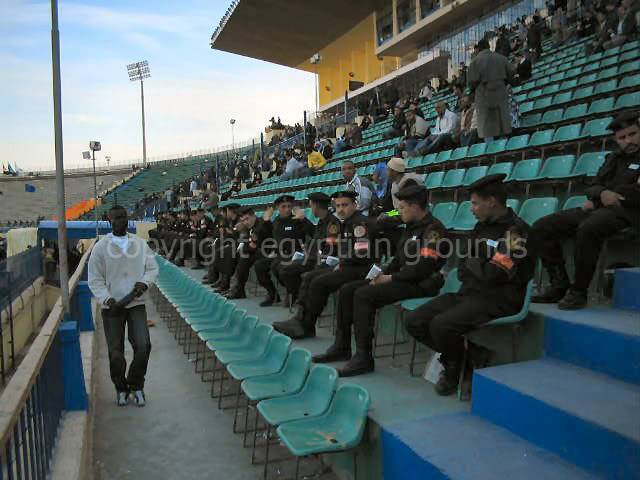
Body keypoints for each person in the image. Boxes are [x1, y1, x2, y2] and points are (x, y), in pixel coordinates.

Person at [405, 174, 534, 395]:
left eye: (475, 203)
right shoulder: (480, 227)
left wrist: (477, 263)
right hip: (471, 293)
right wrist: (481, 263)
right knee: (414, 321)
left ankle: (454, 369)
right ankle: (471, 357)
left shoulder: (516, 232)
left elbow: (497, 274)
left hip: (500, 298)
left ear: (491, 201)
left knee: (441, 325)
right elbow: (464, 266)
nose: (472, 209)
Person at [314, 185, 449, 376]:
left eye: (402, 208)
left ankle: (363, 357)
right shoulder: (411, 227)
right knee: (347, 290)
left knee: (364, 295)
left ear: (415, 206)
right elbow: (398, 260)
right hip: (403, 279)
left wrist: (390, 277)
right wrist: (381, 273)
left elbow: (424, 267)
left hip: (422, 284)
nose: (398, 212)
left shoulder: (434, 230)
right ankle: (342, 346)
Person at [529, 113, 640, 309]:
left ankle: (578, 291)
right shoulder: (613, 158)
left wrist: (608, 195)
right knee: (542, 226)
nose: (628, 141)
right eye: (622, 137)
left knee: (589, 227)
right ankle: (559, 284)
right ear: (616, 139)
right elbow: (593, 186)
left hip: (629, 212)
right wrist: (602, 194)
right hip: (601, 208)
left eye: (633, 134)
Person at [273, 190, 377, 339]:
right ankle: (300, 320)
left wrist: (341, 262)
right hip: (347, 265)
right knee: (309, 277)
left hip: (359, 269)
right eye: (338, 205)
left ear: (355, 205)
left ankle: (306, 324)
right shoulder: (348, 222)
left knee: (318, 281)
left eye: (345, 205)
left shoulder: (359, 223)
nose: (341, 209)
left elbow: (360, 253)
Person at [88, 205, 159, 407]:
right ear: (109, 221)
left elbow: (152, 268)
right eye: (117, 218)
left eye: (124, 217)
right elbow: (95, 279)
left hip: (135, 303)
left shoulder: (139, 244)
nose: (121, 221)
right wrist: (107, 299)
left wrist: (144, 283)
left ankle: (136, 385)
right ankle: (121, 388)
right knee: (115, 353)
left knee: (143, 346)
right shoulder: (101, 247)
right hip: (112, 308)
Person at [277, 192, 341, 303]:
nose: (310, 209)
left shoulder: (332, 223)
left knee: (295, 272)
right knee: (285, 270)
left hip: (321, 261)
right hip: (311, 258)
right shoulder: (321, 222)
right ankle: (298, 296)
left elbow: (330, 247)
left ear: (316, 206)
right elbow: (315, 240)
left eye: (311, 206)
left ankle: (304, 303)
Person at [253, 195, 312, 306]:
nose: (287, 209)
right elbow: (262, 238)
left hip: (294, 255)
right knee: (259, 265)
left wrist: (304, 219)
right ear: (278, 208)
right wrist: (265, 222)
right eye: (283, 206)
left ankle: (293, 292)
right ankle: (273, 294)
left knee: (281, 267)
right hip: (278, 254)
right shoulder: (276, 222)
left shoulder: (297, 221)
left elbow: (313, 233)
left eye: (289, 206)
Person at [467, 38, 516, 142]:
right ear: (489, 46)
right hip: (500, 95)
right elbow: (512, 71)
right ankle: (504, 148)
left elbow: (471, 83)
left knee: (487, 128)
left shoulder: (475, 62)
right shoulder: (500, 58)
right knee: (502, 124)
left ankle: (490, 153)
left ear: (478, 49)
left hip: (484, 97)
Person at [223, 206, 272, 299]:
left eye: (247, 219)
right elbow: (247, 244)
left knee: (245, 257)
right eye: (243, 220)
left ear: (253, 216)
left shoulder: (261, 223)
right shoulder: (249, 227)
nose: (246, 222)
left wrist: (249, 246)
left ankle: (272, 293)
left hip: (267, 252)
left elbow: (254, 244)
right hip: (256, 251)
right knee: (240, 258)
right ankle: (236, 289)